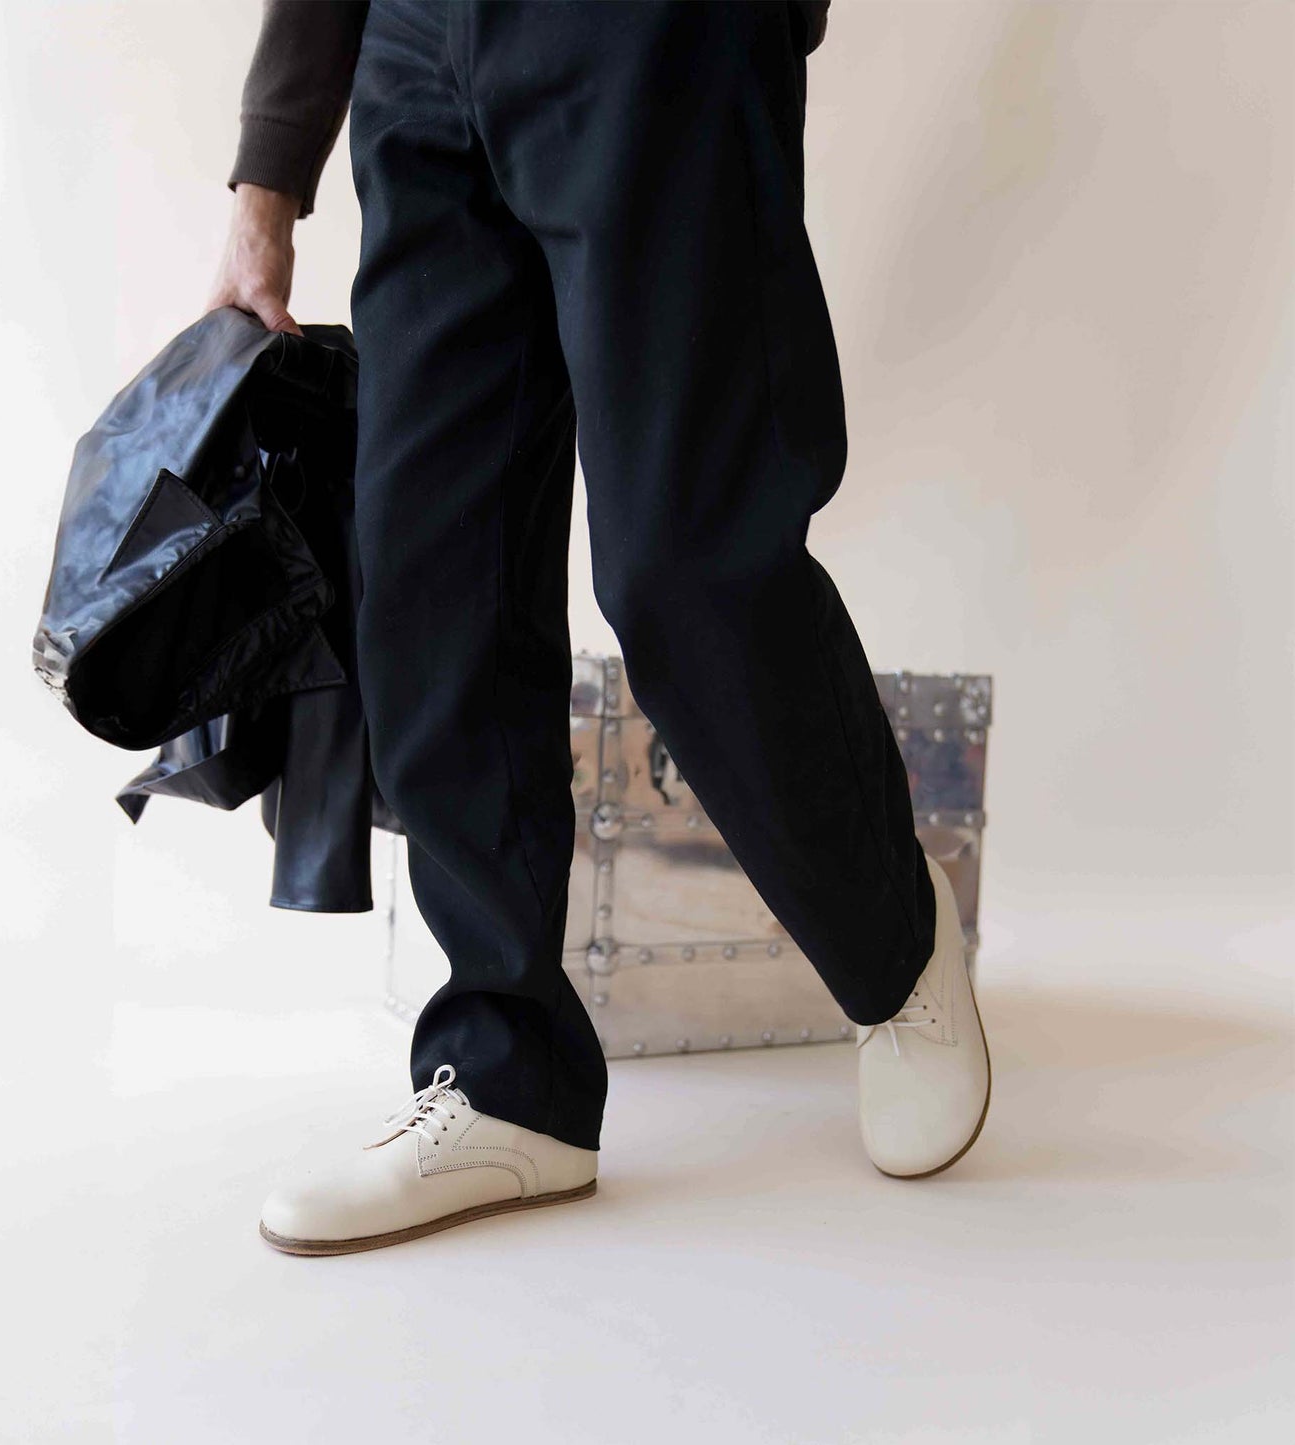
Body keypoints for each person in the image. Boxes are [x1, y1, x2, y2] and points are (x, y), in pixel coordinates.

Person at [206, 0, 991, 1258]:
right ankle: (508, 1078)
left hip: (648, 34)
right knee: (427, 568)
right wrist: (269, 169)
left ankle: (895, 951)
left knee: (687, 563)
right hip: (417, 47)